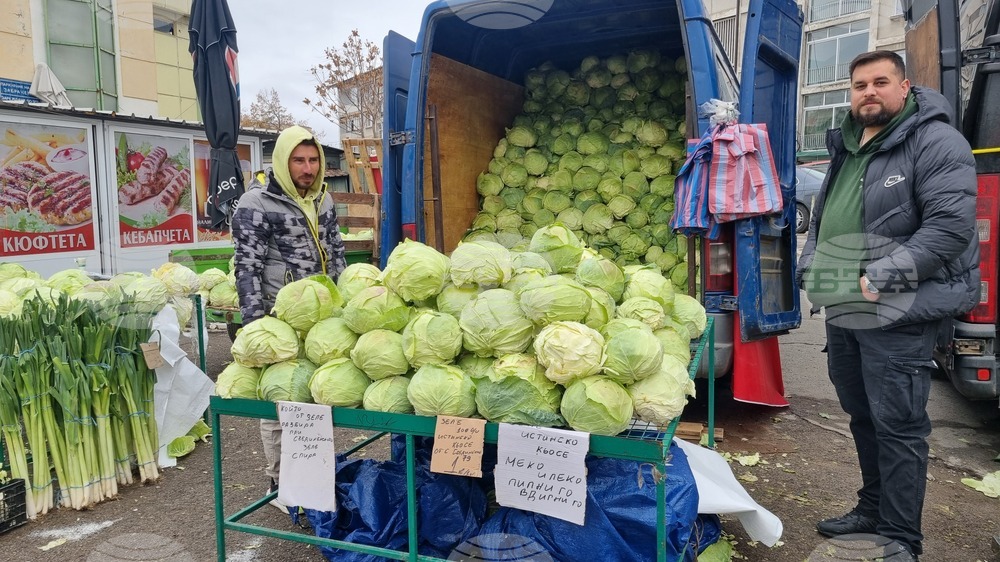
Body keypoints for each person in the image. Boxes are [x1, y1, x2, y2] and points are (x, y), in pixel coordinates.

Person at [797, 50, 979, 560]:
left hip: (896, 308)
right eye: (859, 85)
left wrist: (880, 276)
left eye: (880, 82)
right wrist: (809, 264)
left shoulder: (936, 141)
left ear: (904, 88)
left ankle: (902, 536)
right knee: (862, 415)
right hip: (845, 309)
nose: (869, 92)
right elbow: (825, 213)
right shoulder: (849, 145)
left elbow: (948, 228)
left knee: (898, 424)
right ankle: (871, 509)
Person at [231, 126, 347, 512]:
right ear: (282, 161)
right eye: (299, 160)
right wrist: (254, 326)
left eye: (314, 160)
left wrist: (345, 300)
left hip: (321, 312)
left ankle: (311, 474)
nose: (308, 168)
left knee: (314, 393)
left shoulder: (323, 200)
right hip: (277, 314)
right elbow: (246, 267)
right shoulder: (256, 203)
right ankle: (280, 480)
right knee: (282, 399)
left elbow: (336, 251)